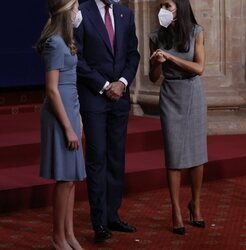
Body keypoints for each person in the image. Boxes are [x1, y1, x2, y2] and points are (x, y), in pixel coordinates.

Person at [74, 0, 140, 243]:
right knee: (97, 157)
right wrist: (104, 86)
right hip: (94, 98)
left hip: (120, 98)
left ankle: (113, 214)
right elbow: (77, 57)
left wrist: (122, 82)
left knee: (116, 157)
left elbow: (133, 54)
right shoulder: (81, 12)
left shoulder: (125, 14)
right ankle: (99, 221)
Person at [149, 0, 207, 235]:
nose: (163, 9)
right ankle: (176, 211)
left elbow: (199, 68)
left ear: (180, 7)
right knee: (173, 155)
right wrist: (156, 63)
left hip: (193, 93)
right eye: (161, 5)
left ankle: (196, 203)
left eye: (168, 5)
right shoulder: (156, 36)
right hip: (170, 94)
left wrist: (171, 58)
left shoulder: (196, 32)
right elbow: (153, 78)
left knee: (197, 155)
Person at [36, 0, 86, 249]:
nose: (79, 12)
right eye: (76, 6)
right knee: (64, 178)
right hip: (59, 115)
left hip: (71, 111)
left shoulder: (67, 41)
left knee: (71, 178)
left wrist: (78, 119)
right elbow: (52, 90)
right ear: (67, 11)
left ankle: (69, 234)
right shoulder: (55, 43)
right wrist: (68, 126)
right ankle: (58, 237)